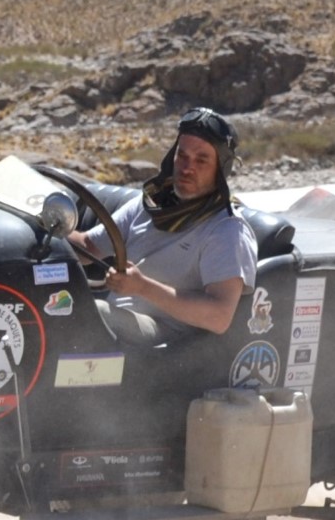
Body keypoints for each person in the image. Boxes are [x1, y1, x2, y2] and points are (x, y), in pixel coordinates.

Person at [70, 107, 257, 345]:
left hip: (166, 338)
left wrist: (142, 287)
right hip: (120, 321)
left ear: (220, 169)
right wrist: (45, 226)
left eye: (201, 160)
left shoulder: (226, 230)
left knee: (86, 314)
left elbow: (219, 316)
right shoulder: (151, 204)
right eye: (183, 156)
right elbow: (88, 247)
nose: (187, 168)